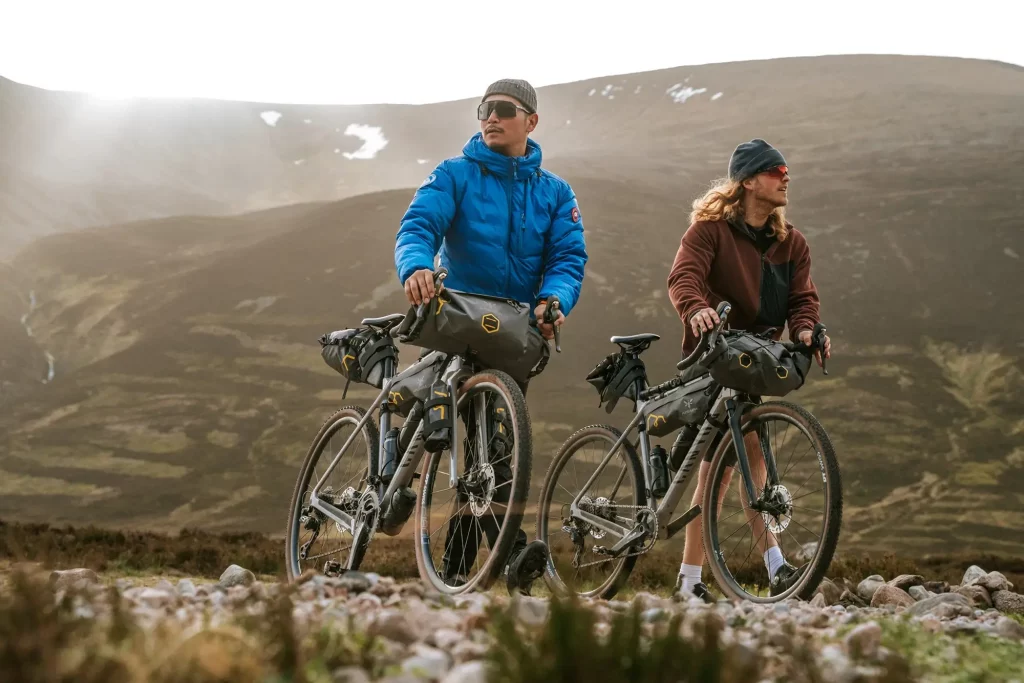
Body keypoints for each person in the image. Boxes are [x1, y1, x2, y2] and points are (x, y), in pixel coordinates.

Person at [395, 78, 588, 595]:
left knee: (492, 455)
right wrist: (416, 266)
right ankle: (393, 478)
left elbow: (568, 259)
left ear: (532, 121)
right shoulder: (454, 174)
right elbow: (418, 225)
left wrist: (554, 300)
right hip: (454, 319)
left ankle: (463, 571)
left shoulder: (555, 193)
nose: (491, 117)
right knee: (433, 426)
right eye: (484, 109)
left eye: (504, 109)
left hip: (510, 333)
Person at [666, 138, 832, 601]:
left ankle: (705, 577)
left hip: (755, 359)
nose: (786, 179)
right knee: (719, 473)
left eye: (786, 173)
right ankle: (702, 578)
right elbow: (684, 278)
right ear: (749, 181)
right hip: (714, 358)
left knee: (746, 459)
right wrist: (696, 309)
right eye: (777, 171)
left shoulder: (790, 243)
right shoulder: (708, 232)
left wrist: (805, 331)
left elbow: (803, 301)